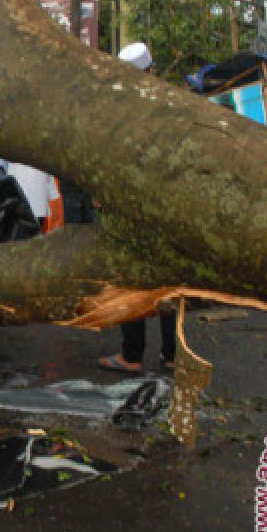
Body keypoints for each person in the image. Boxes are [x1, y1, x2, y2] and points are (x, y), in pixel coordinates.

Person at [98, 42, 176, 373]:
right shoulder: (170, 106)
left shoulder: (124, 111)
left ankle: (132, 355)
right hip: (165, 206)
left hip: (130, 207)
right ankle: (172, 354)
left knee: (130, 280)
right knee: (168, 283)